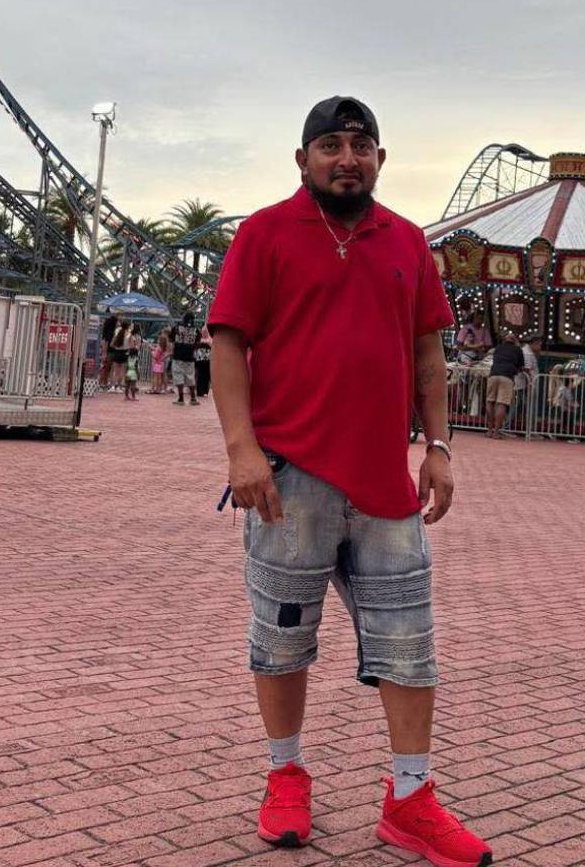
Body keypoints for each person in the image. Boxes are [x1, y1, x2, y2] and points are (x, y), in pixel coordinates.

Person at [208, 96, 492, 866]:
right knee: (282, 637)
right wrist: (241, 450)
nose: (347, 158)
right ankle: (286, 775)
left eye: (361, 145)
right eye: (330, 144)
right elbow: (228, 345)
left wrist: (439, 445)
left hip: (384, 485)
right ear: (302, 159)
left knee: (410, 642)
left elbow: (429, 355)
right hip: (288, 478)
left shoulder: (407, 241)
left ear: (380, 160)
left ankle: (411, 798)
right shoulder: (263, 234)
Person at [484, 333, 523, 438]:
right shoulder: (517, 350)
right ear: (515, 340)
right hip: (507, 377)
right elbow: (521, 366)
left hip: (493, 374)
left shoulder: (498, 348)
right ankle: (496, 432)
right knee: (501, 403)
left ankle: (489, 430)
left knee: (490, 401)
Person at [170, 313, 200, 405]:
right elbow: (197, 343)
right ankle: (193, 398)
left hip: (178, 356)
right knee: (190, 377)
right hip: (190, 357)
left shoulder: (176, 328)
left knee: (178, 377)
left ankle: (181, 398)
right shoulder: (196, 330)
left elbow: (171, 339)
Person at [107, 317, 131, 391]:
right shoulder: (129, 334)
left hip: (117, 352)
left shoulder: (117, 331)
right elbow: (130, 345)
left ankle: (113, 386)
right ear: (128, 326)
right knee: (122, 371)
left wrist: (116, 346)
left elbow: (111, 344)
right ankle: (119, 386)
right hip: (125, 353)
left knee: (115, 371)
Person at [98, 312, 119, 388]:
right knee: (106, 368)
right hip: (110, 352)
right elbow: (106, 343)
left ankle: (103, 382)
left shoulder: (109, 333)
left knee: (106, 368)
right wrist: (104, 353)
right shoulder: (111, 333)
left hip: (109, 351)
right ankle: (103, 382)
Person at [122, 322, 141, 401]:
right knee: (133, 384)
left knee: (127, 385)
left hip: (128, 372)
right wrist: (138, 374)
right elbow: (137, 347)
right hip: (133, 372)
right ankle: (133, 396)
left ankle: (126, 396)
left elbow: (126, 366)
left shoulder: (128, 358)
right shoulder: (136, 337)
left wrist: (125, 372)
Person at [194, 327, 213, 398]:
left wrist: (207, 343)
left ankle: (205, 391)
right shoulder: (199, 339)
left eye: (206, 331)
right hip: (199, 360)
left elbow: (213, 346)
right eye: (203, 331)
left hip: (208, 360)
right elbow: (195, 347)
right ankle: (199, 391)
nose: (204, 333)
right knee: (199, 376)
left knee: (206, 376)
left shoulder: (210, 339)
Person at [151, 329, 169, 395]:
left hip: (156, 364)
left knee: (155, 376)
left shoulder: (158, 348)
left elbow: (155, 356)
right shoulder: (163, 347)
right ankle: (159, 388)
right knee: (160, 377)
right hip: (161, 364)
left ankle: (154, 388)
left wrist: (152, 353)